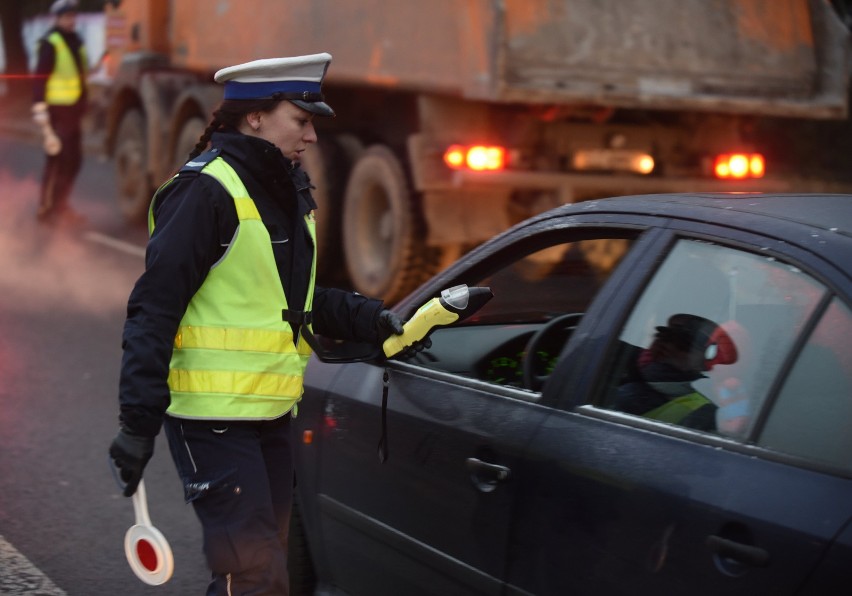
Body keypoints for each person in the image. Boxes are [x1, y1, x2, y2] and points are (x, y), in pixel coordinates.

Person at [108, 53, 417, 594]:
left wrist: (374, 319)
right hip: (211, 419)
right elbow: (153, 308)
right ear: (254, 117)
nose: (313, 137)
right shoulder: (205, 191)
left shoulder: (286, 191)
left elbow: (289, 299)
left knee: (260, 569)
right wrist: (137, 424)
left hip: (270, 411)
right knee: (255, 575)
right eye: (301, 120)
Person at [613, 313, 737, 431]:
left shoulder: (619, 372)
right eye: (664, 337)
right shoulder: (707, 409)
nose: (666, 345)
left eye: (682, 344)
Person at [31, 0, 88, 224]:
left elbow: (79, 74)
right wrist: (39, 108)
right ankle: (46, 208)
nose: (71, 20)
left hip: (74, 111)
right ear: (57, 18)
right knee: (57, 160)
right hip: (56, 112)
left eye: (73, 16)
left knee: (74, 161)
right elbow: (39, 78)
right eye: (67, 17)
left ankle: (61, 205)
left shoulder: (76, 41)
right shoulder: (51, 43)